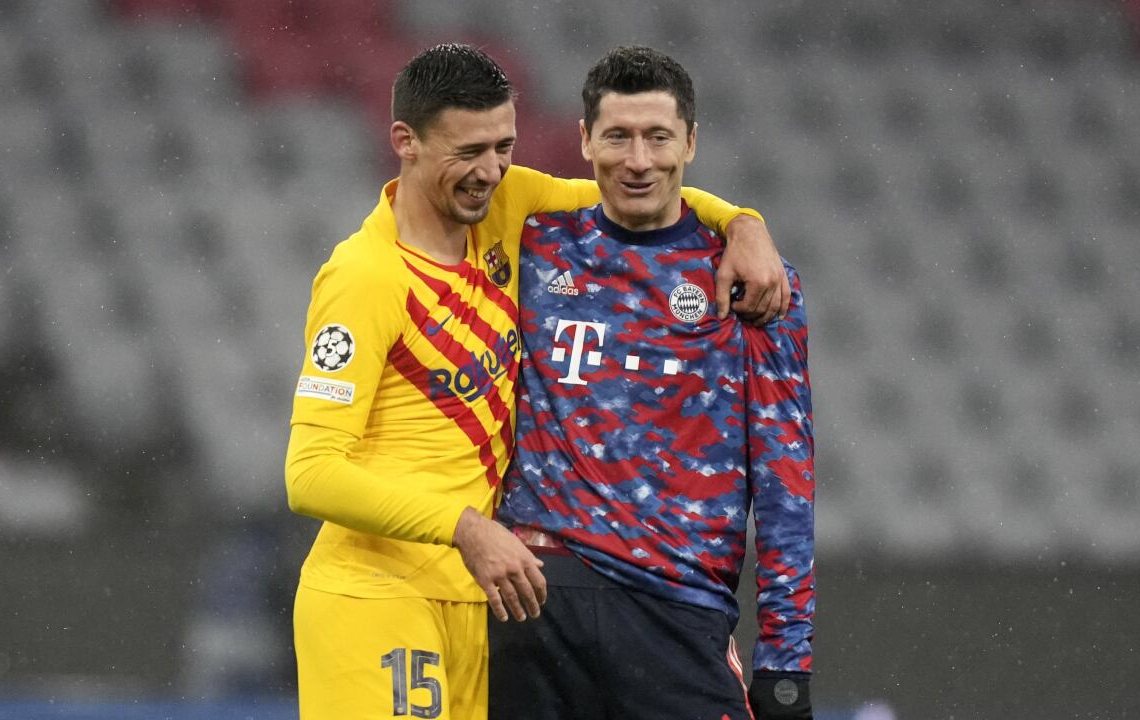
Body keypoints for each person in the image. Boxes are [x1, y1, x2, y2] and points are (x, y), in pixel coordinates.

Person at [284, 43, 788, 720]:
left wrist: (743, 224)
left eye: (504, 147)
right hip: (375, 598)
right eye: (469, 151)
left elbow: (637, 197)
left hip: (471, 601)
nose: (490, 170)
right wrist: (464, 526)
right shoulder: (365, 277)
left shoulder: (504, 206)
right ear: (404, 142)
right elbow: (310, 473)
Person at [490, 46, 815, 720]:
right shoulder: (533, 249)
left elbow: (785, 482)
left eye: (658, 137)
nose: (638, 160)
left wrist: (786, 661)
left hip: (677, 609)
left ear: (690, 142)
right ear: (584, 141)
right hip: (540, 600)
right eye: (617, 136)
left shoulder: (755, 283)